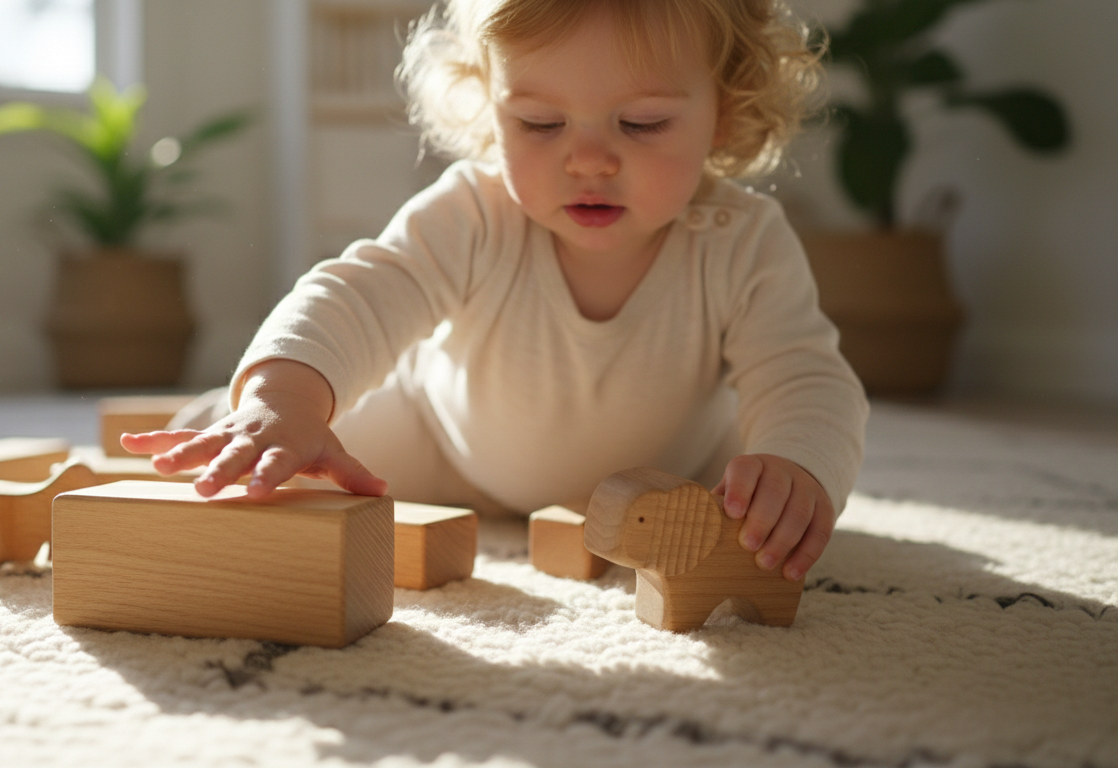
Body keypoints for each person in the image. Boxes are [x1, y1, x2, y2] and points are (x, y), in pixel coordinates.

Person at [123, 0, 868, 584]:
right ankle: (224, 426)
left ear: (725, 114)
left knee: (743, 495)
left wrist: (797, 467)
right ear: (490, 107)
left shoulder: (743, 240)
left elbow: (804, 375)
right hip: (443, 442)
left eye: (641, 124)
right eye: (539, 123)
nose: (587, 159)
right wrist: (283, 400)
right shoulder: (475, 213)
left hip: (666, 477)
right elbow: (363, 293)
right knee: (288, 451)